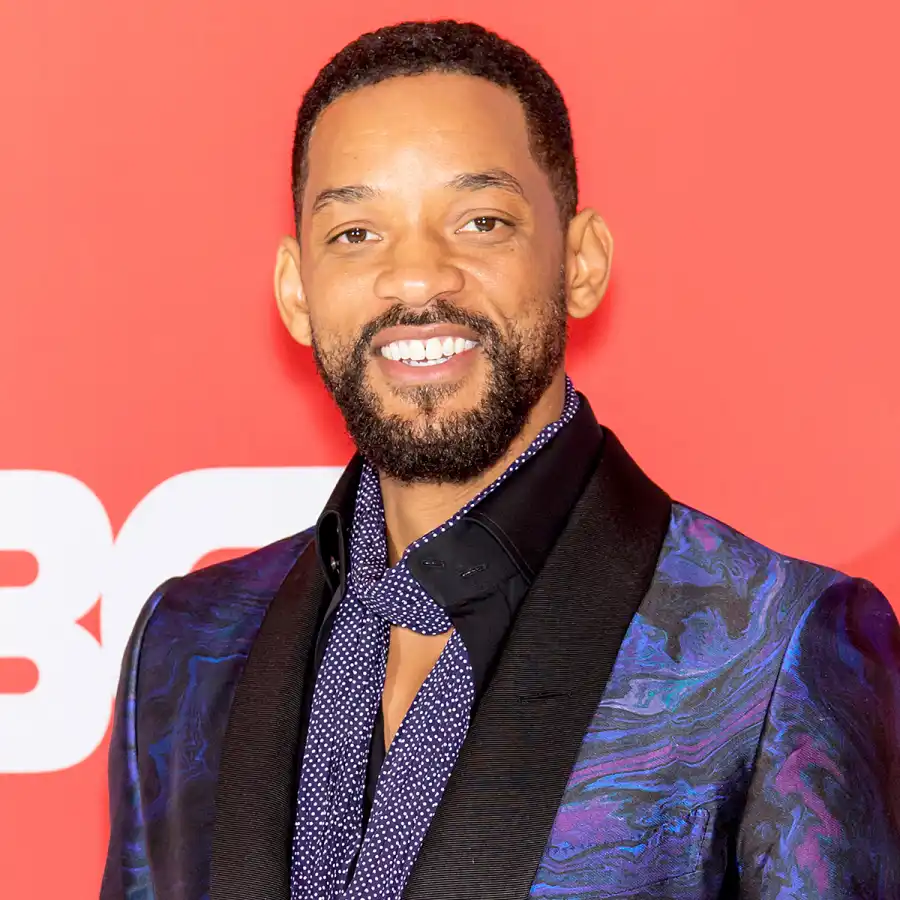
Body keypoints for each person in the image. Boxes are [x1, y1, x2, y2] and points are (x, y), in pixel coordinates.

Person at [101, 19, 900, 900]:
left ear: (581, 263)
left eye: (481, 222)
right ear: (296, 291)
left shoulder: (776, 648)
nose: (417, 279)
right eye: (356, 232)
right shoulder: (185, 644)